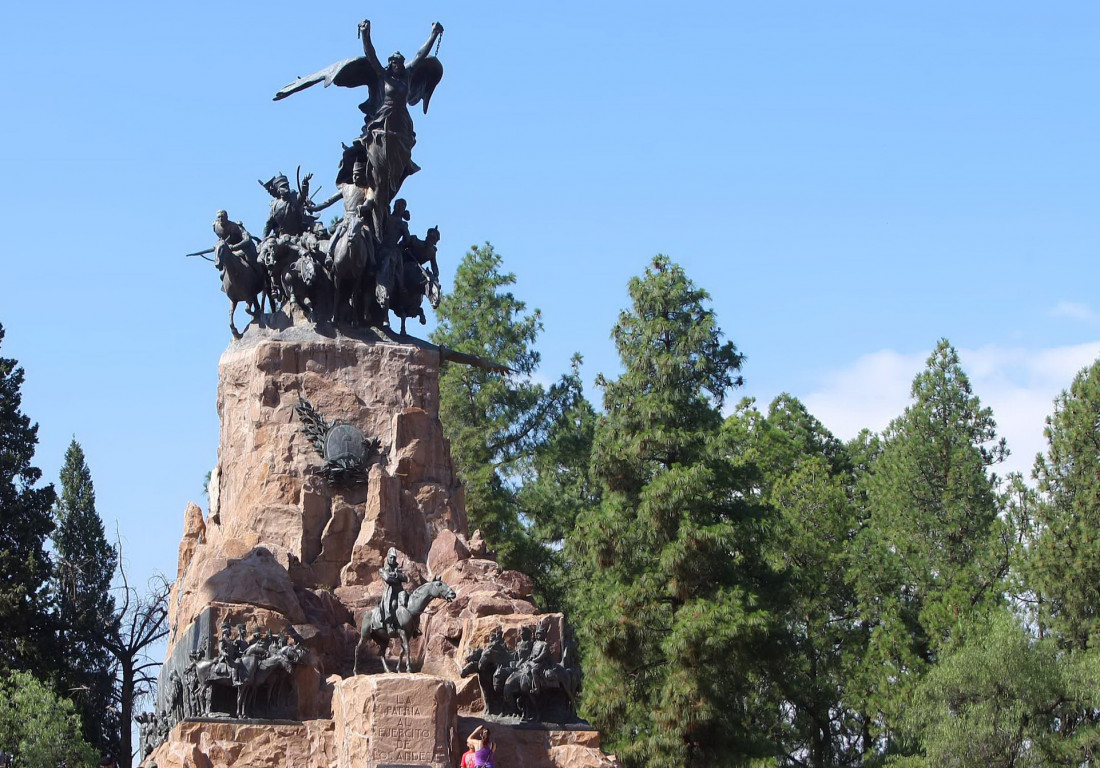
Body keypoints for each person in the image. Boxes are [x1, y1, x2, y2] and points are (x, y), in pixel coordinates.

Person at [379, 547, 408, 631]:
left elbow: (405, 578)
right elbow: (387, 578)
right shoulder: (382, 570)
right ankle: (389, 625)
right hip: (390, 594)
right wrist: (397, 578)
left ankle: (412, 625)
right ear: (388, 557)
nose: (392, 559)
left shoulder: (398, 570)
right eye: (391, 557)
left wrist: (396, 574)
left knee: (407, 600)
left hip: (399, 591)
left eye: (394, 558)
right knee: (393, 604)